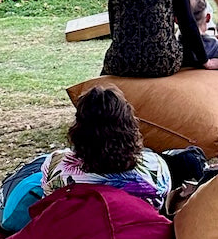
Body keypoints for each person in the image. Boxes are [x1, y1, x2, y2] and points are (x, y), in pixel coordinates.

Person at [40, 84, 172, 210]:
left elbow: (47, 206)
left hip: (75, 232)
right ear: (130, 127)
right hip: (135, 232)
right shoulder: (156, 169)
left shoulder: (55, 167)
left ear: (78, 131)